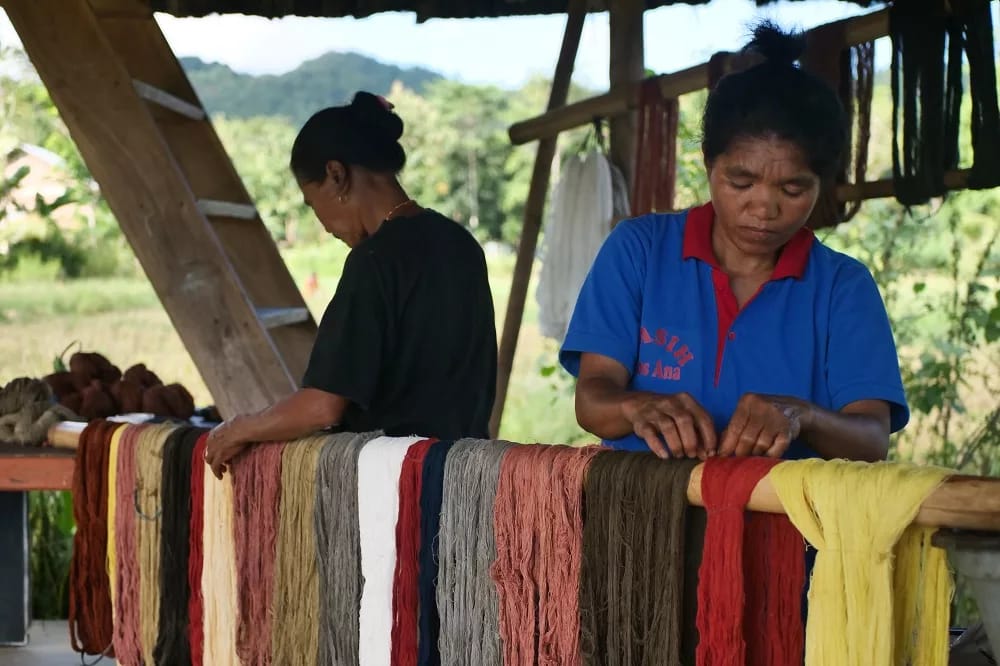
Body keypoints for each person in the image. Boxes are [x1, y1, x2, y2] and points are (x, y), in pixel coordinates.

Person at [560, 23, 908, 462]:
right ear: (709, 162)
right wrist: (637, 407)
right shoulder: (639, 251)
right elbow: (592, 400)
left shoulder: (843, 287)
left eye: (793, 189)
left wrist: (804, 416)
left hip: (784, 509)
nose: (763, 208)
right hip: (641, 505)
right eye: (741, 183)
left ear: (822, 183)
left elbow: (871, 439)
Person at [205, 92, 497, 478]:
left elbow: (322, 406)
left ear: (336, 175)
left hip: (398, 484)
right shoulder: (461, 244)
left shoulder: (374, 260)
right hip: (468, 476)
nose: (324, 225)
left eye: (312, 203)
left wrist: (240, 428)